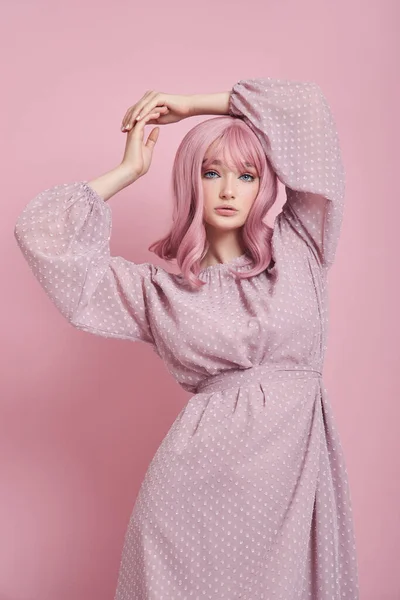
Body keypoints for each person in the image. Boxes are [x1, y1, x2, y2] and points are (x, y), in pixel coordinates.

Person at [14, 77, 360, 599]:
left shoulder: (300, 246)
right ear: (190, 182)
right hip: (190, 499)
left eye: (247, 175)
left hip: (292, 485)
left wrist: (193, 105)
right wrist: (129, 170)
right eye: (211, 171)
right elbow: (42, 234)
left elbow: (307, 110)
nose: (227, 189)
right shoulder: (159, 293)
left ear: (264, 186)